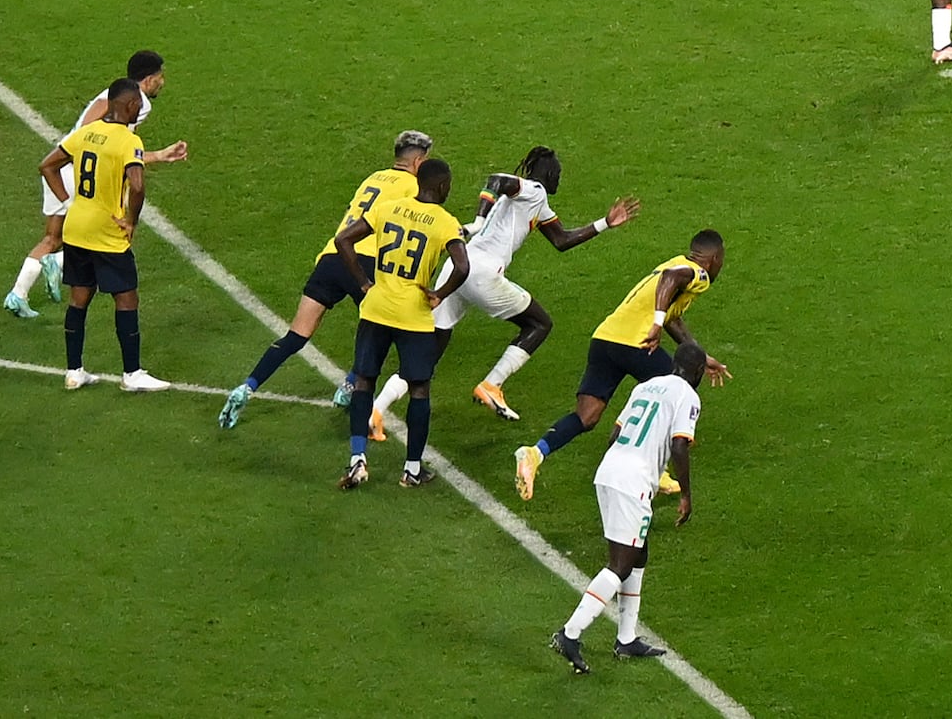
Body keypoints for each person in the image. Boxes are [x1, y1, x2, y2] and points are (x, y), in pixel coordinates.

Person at [384, 147, 640, 442]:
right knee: (539, 324)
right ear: (550, 172)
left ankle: (378, 409)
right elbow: (496, 179)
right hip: (482, 273)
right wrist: (479, 221)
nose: (559, 180)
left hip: (460, 265)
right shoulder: (534, 190)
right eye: (558, 174)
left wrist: (605, 223)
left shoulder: (534, 202)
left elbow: (561, 239)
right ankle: (492, 384)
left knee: (428, 352)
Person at [216, 130, 438, 426]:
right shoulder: (413, 187)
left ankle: (247, 386)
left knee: (295, 336)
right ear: (420, 161)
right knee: (384, 333)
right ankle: (350, 387)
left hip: (333, 258)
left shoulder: (373, 178)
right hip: (368, 263)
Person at [515, 228, 729, 498]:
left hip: (605, 338)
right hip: (635, 342)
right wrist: (656, 323)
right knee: (676, 392)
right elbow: (670, 280)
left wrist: (700, 354)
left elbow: (673, 317)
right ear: (713, 259)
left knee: (587, 415)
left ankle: (534, 454)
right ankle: (658, 470)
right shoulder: (696, 273)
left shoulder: (675, 261)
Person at [41, 56, 188, 390]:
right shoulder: (128, 141)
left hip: (76, 228)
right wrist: (131, 220)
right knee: (127, 299)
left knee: (79, 298)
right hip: (107, 231)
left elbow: (47, 165)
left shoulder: (87, 133)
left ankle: (74, 371)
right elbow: (137, 185)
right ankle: (132, 374)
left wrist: (67, 201)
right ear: (131, 103)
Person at [554, 349, 706, 672]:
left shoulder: (645, 386)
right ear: (698, 372)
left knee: (638, 553)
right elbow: (680, 445)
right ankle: (570, 633)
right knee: (620, 565)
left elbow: (614, 434)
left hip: (610, 470)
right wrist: (686, 495)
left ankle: (626, 638)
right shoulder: (688, 396)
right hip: (632, 480)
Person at [335, 157, 472, 489]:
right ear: (440, 186)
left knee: (365, 381)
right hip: (413, 315)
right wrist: (440, 293)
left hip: (377, 308)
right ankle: (411, 469)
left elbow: (343, 241)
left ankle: (357, 460)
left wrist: (364, 283)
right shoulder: (444, 221)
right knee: (419, 388)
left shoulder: (389, 208)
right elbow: (463, 266)